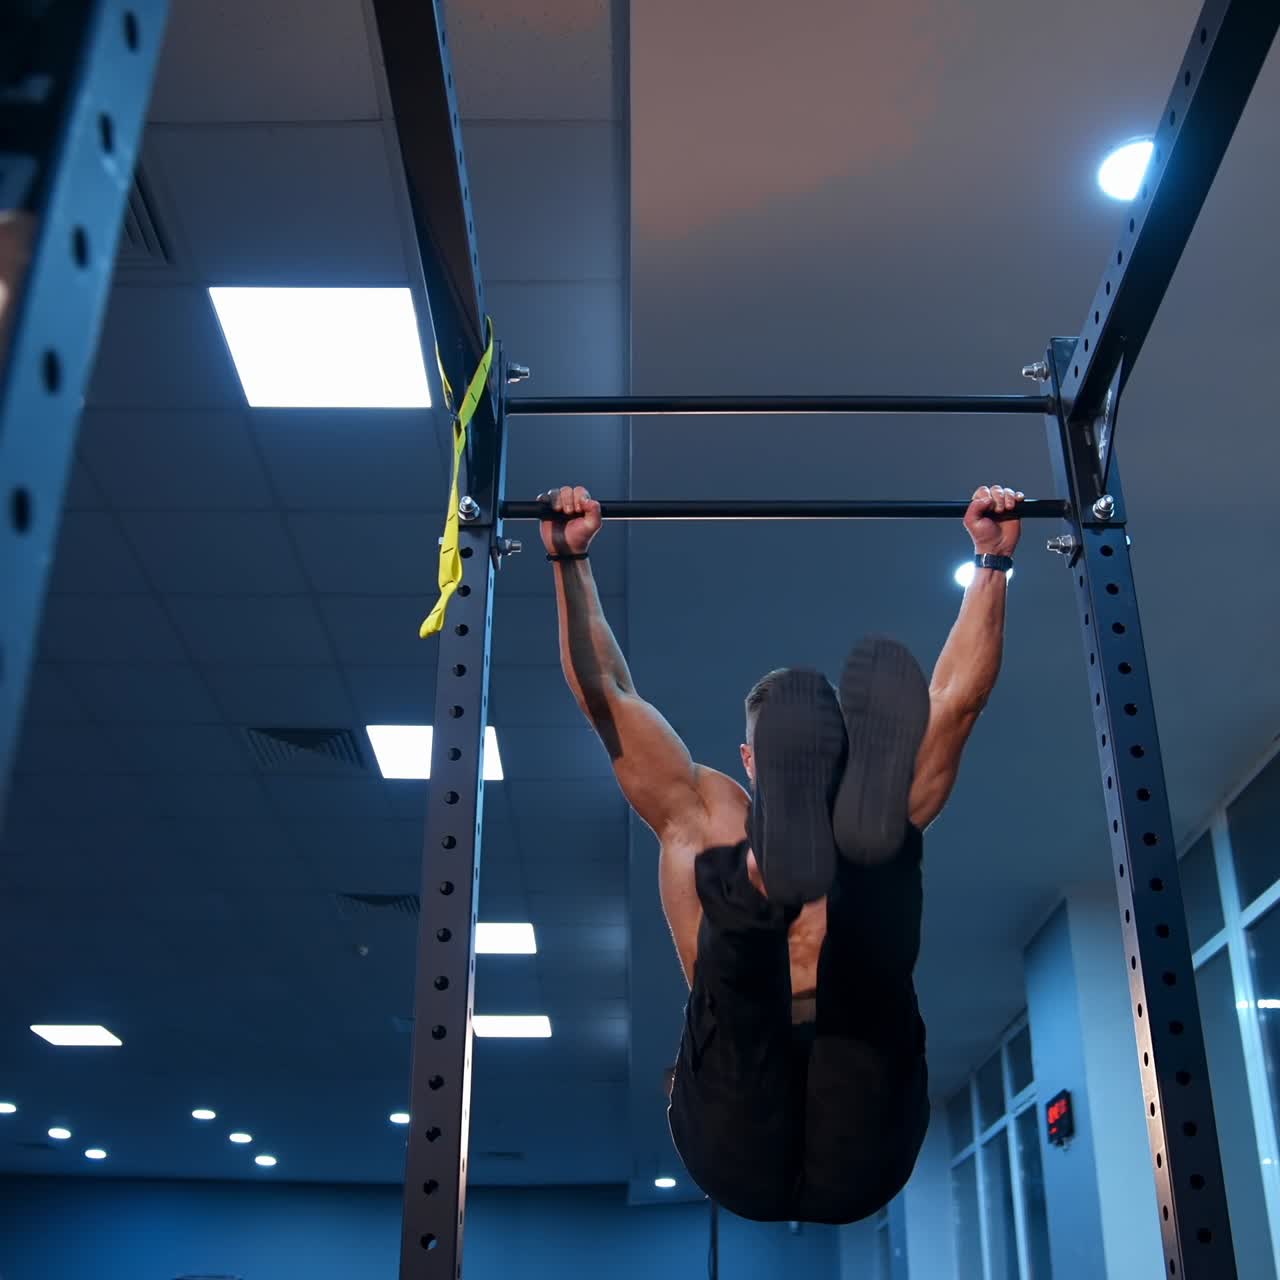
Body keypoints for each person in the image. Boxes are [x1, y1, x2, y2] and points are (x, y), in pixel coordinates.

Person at [540, 483, 1023, 1224]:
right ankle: (769, 889)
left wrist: (992, 564)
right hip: (737, 1123)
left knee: (869, 969)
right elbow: (605, 693)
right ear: (749, 758)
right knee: (745, 986)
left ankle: (821, 876)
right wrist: (570, 567)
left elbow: (956, 700)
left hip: (863, 1126)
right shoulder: (701, 812)